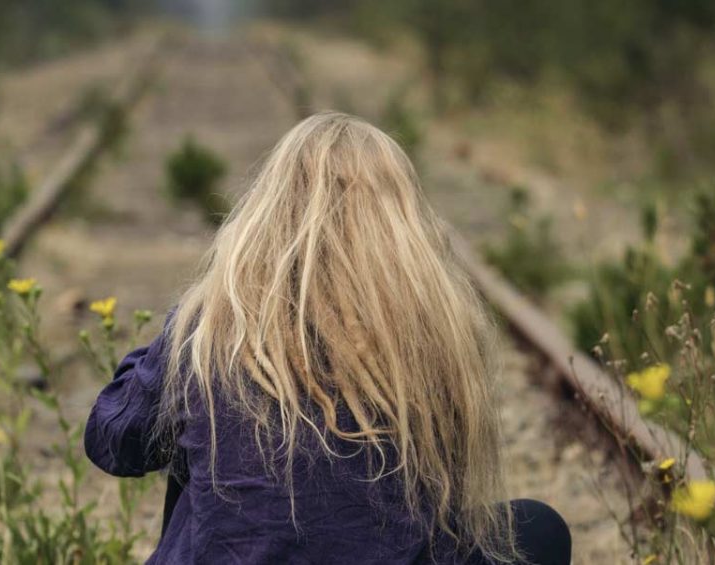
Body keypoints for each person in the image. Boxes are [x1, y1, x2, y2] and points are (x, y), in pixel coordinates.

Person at [85, 112, 571, 564]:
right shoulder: (435, 330)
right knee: (540, 530)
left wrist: (180, 337)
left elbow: (114, 442)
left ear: (268, 212)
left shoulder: (213, 327)